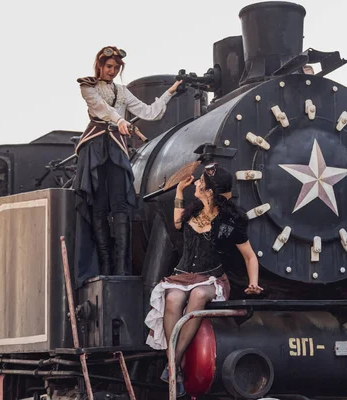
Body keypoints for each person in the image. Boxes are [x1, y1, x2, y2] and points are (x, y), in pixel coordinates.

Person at [144, 163, 263, 397]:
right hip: (183, 275)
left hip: (211, 278)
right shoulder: (193, 210)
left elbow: (250, 256)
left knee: (198, 295)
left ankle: (172, 363)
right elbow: (178, 223)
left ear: (210, 192)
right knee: (173, 297)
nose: (196, 183)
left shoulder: (229, 222)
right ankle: (175, 367)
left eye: (201, 182)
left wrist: (254, 283)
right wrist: (178, 192)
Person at [74, 46, 182, 277]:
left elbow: (150, 112)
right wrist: (120, 122)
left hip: (116, 147)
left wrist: (170, 92)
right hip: (95, 147)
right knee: (100, 207)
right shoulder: (88, 86)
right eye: (109, 66)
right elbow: (102, 110)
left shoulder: (122, 92)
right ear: (100, 66)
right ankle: (104, 266)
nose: (112, 71)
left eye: (116, 68)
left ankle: (121, 268)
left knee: (121, 205)